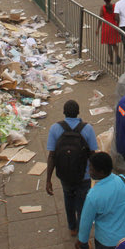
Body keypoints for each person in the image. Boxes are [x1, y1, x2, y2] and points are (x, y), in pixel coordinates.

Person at [46, 100, 98, 237]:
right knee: (82, 205)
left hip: (64, 175)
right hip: (84, 175)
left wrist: (48, 180)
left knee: (68, 200)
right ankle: (83, 239)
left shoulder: (55, 128)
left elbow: (51, 156)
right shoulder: (87, 129)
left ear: (64, 113)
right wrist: (96, 174)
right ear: (78, 112)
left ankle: (72, 227)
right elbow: (93, 154)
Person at [97, 0, 122, 65]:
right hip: (114, 26)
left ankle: (111, 60)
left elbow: (100, 19)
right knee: (114, 44)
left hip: (106, 27)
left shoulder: (103, 8)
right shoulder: (115, 6)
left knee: (109, 45)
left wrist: (98, 29)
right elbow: (117, 18)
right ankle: (117, 54)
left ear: (104, 0)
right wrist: (118, 26)